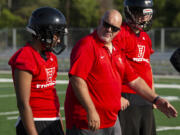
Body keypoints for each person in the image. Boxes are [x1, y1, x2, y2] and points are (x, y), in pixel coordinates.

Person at [64, 9, 177, 135]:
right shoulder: (87, 45)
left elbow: (134, 80)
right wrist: (91, 110)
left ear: (119, 31)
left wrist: (156, 99)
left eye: (114, 28)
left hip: (111, 121)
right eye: (106, 25)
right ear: (100, 22)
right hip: (86, 122)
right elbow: (77, 79)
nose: (109, 30)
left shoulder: (117, 50)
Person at [113, 0, 174, 135]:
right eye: (142, 14)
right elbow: (112, 68)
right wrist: (116, 95)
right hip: (127, 94)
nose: (146, 18)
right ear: (130, 12)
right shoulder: (120, 33)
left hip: (145, 95)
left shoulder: (145, 37)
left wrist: (153, 95)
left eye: (147, 14)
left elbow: (147, 66)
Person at [8, 7, 67, 135]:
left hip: (53, 121)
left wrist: (60, 125)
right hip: (35, 121)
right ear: (44, 33)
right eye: (57, 34)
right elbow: (23, 103)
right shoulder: (26, 57)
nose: (59, 40)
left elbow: (51, 96)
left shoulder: (51, 57)